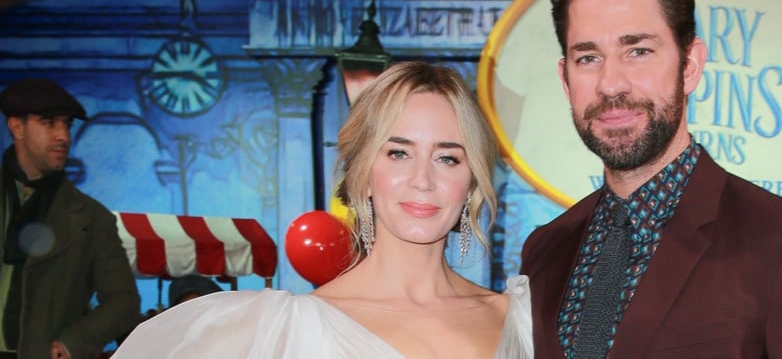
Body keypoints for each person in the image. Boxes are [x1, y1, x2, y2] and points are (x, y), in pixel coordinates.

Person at [518, 0, 782, 358]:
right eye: (588, 58)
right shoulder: (545, 249)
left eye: (638, 51)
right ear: (565, 79)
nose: (611, 84)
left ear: (690, 66)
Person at [115, 61, 532, 358]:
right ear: (365, 174)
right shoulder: (285, 331)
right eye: (399, 153)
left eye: (447, 158)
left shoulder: (519, 322)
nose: (422, 179)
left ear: (472, 181)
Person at [0, 78, 141, 358]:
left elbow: (124, 301)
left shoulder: (91, 218)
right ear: (17, 127)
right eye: (50, 123)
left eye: (67, 124)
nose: (63, 136)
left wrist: (73, 343)